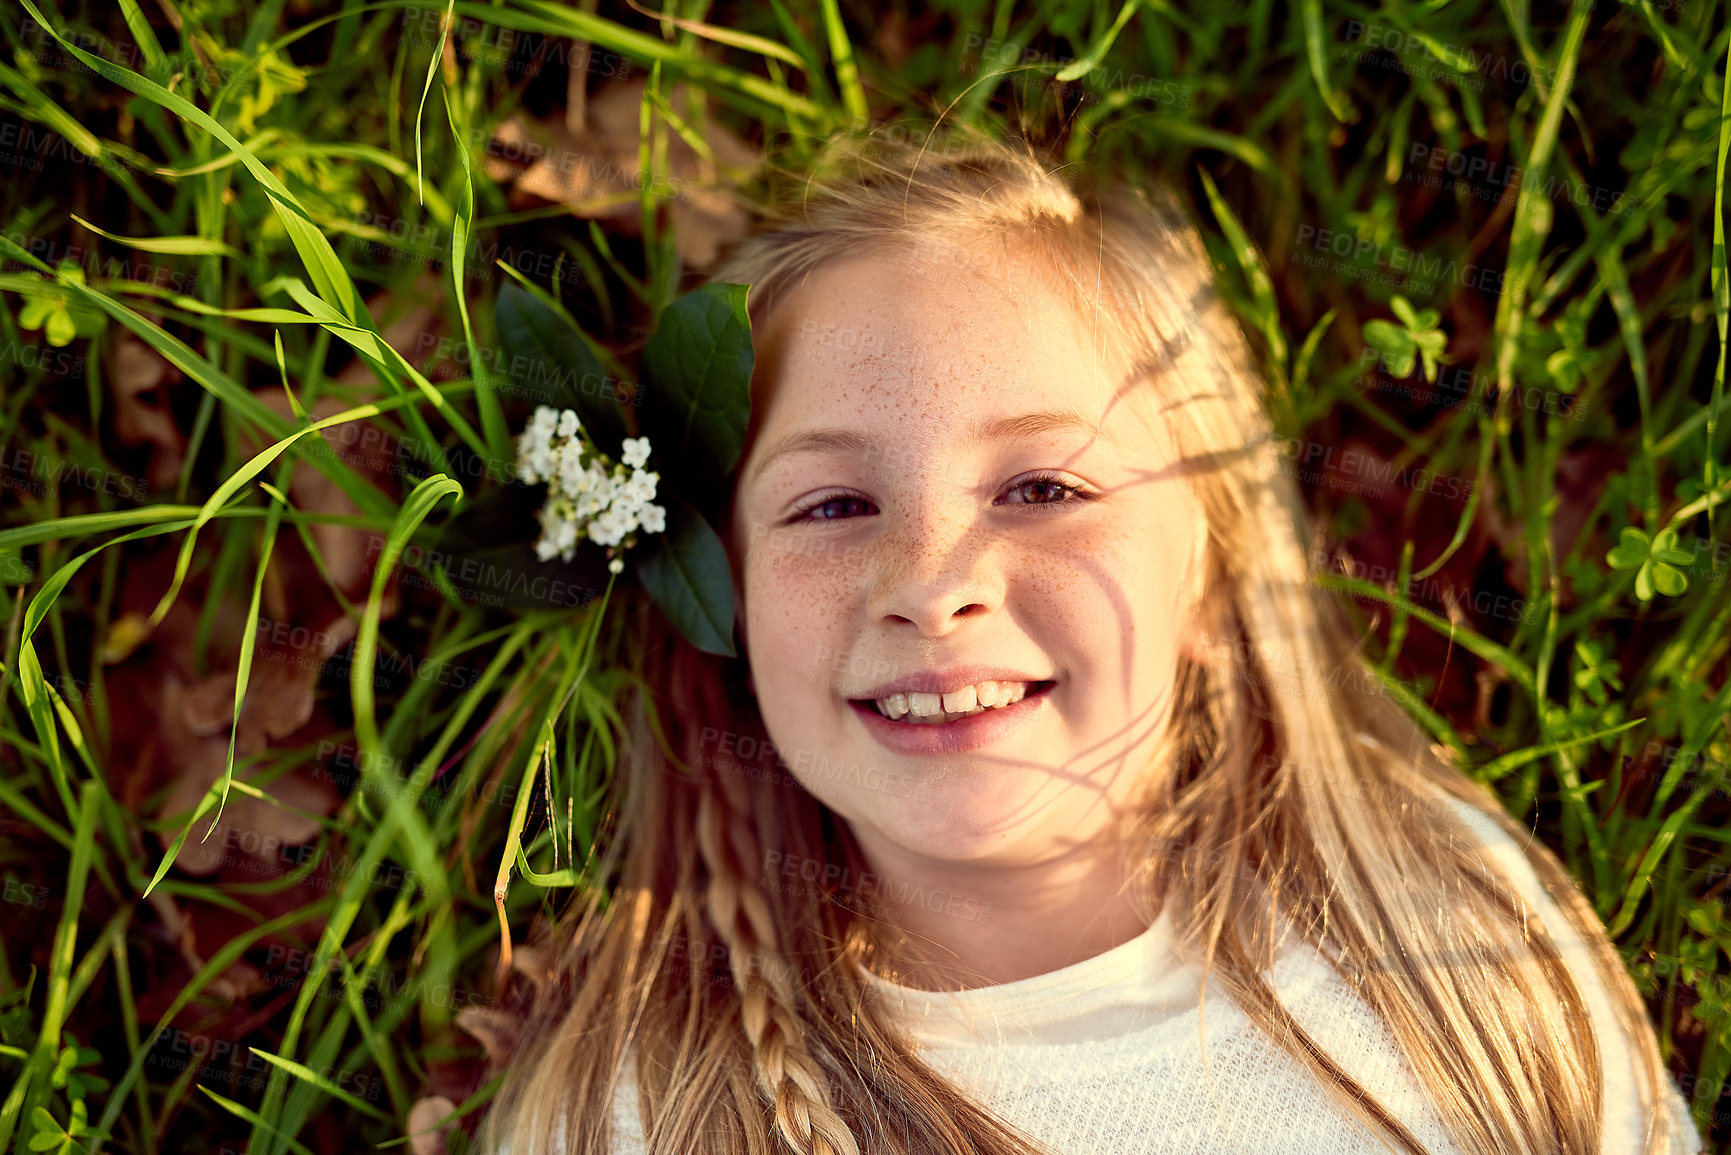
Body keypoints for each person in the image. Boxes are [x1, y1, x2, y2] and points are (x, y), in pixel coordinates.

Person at [479, 130, 1702, 1155]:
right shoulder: (642, 1112)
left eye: (1045, 490)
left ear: (1214, 585)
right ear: (725, 606)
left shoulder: (1451, 950)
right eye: (834, 506)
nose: (932, 584)